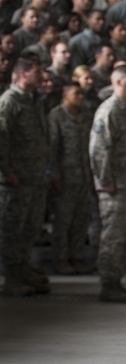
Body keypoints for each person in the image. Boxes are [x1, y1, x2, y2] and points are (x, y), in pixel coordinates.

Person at [89, 65, 126, 302]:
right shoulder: (109, 110)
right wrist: (105, 181)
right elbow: (98, 150)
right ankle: (109, 284)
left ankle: (118, 280)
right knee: (113, 236)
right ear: (119, 82)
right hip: (114, 187)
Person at [0, 57, 51, 296]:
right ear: (22, 74)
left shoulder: (33, 101)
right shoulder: (9, 102)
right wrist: (7, 170)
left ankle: (23, 269)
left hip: (34, 177)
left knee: (29, 228)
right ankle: (11, 277)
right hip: (16, 180)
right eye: (37, 72)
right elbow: (3, 138)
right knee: (12, 229)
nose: (41, 76)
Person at [47, 82, 94, 275]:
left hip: (83, 178)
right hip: (64, 179)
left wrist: (92, 175)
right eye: (76, 93)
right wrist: (54, 177)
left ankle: (76, 257)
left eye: (82, 94)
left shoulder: (86, 117)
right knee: (62, 222)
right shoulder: (56, 116)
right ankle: (60, 260)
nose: (81, 97)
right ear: (65, 95)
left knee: (80, 221)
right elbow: (51, 150)